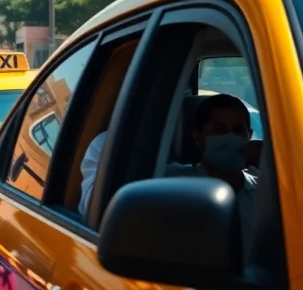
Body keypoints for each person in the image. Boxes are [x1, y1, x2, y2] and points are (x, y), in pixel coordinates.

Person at [78, 94, 261, 222]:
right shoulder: (169, 186)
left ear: (250, 135)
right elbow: (104, 207)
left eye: (238, 130)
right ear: (198, 138)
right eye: (219, 130)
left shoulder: (268, 191)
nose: (231, 138)